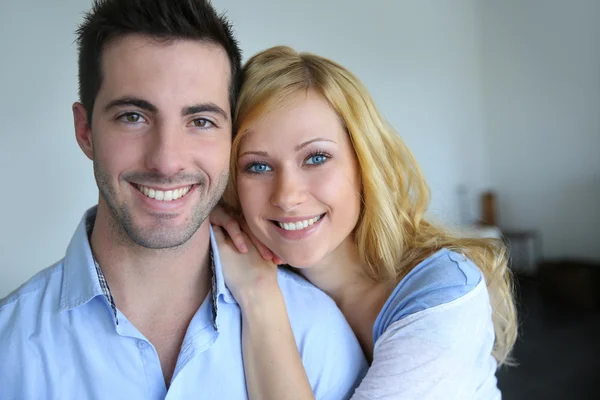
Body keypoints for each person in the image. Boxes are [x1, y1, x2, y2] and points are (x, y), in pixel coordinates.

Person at [0, 2, 367, 399]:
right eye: (133, 116)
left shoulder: (316, 334)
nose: (167, 161)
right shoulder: (10, 349)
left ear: (230, 139)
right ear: (85, 130)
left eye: (201, 121)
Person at [211, 45, 518, 399]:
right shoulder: (240, 260)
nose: (286, 195)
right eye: (258, 166)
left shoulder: (441, 294)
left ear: (363, 163)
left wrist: (259, 296)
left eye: (316, 157)